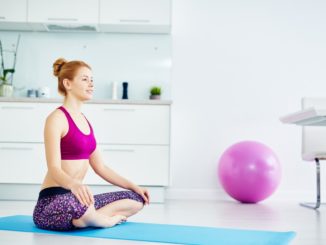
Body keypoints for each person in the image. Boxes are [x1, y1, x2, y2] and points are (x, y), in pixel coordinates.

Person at [33, 58, 149, 231]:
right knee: (81, 206)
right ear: (67, 83)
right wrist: (74, 185)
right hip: (52, 202)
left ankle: (89, 218)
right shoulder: (56, 119)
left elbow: (101, 167)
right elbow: (54, 168)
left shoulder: (85, 121)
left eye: (92, 80)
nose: (91, 84)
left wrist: (135, 187)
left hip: (79, 199)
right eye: (85, 79)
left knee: (135, 200)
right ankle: (99, 219)